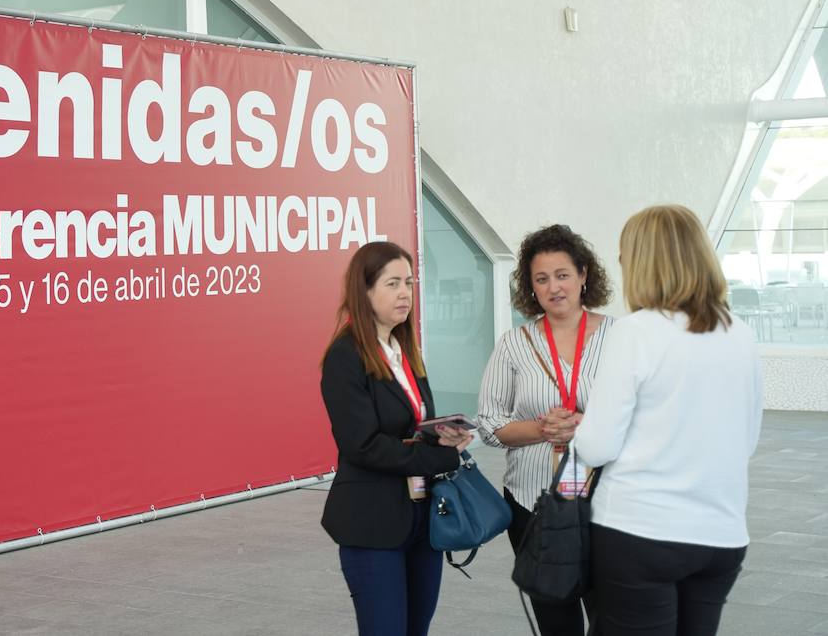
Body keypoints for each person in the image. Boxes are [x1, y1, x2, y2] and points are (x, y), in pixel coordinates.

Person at [575, 205, 762, 636]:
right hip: (721, 532)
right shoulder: (741, 333)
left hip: (640, 532)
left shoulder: (636, 331)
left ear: (642, 263)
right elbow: (746, 440)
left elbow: (597, 446)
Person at [320, 241, 473, 636]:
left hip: (421, 519)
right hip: (372, 523)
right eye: (392, 284)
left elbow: (414, 426)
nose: (405, 292)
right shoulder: (345, 356)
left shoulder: (403, 349)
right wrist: (442, 457)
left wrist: (446, 436)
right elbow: (364, 445)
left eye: (408, 282)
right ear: (365, 290)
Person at [476, 224, 614, 635]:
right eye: (541, 279)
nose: (554, 287)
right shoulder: (514, 344)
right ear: (530, 287)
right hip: (533, 502)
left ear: (584, 275)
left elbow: (646, 415)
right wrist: (543, 428)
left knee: (613, 615)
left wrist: (586, 426)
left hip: (607, 499)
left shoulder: (621, 337)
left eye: (562, 275)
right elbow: (489, 423)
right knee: (556, 618)